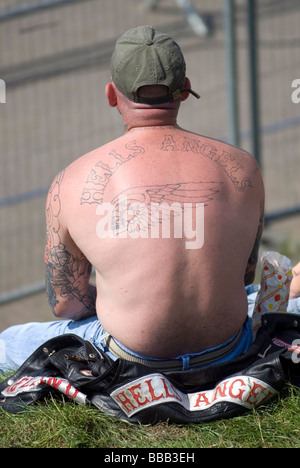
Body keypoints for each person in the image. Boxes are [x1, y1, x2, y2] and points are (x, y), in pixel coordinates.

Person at [1, 25, 300, 373]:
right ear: (185, 90)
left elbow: (66, 305)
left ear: (112, 94)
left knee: (7, 342)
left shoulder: (69, 182)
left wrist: (133, 303)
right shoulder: (244, 168)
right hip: (229, 348)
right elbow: (244, 277)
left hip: (133, 359)